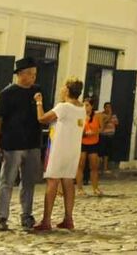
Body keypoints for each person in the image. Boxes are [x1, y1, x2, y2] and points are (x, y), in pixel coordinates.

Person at [0, 56, 43, 232]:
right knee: (7, 181)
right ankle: (1, 217)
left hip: (32, 143)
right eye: (30, 74)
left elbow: (42, 115)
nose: (33, 77)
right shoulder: (7, 93)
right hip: (12, 144)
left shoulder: (37, 91)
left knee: (29, 182)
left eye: (35, 74)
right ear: (21, 74)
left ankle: (26, 214)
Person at [33, 77, 86, 231]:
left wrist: (39, 102)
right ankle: (68, 218)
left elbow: (42, 118)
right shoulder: (81, 108)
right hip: (73, 149)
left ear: (67, 90)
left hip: (59, 148)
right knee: (68, 182)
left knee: (52, 181)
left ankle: (46, 220)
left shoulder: (63, 107)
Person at [76, 99, 103, 196]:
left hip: (93, 142)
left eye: (87, 105)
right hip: (83, 142)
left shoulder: (97, 116)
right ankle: (79, 188)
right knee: (80, 165)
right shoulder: (80, 116)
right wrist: (83, 132)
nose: (85, 107)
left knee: (94, 166)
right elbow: (78, 128)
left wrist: (95, 132)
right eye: (83, 105)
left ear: (91, 106)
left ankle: (95, 188)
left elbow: (101, 128)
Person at [98, 102, 119, 174]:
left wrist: (111, 117)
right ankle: (98, 168)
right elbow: (104, 122)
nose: (108, 108)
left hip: (110, 135)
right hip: (103, 135)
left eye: (109, 107)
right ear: (104, 108)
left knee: (107, 152)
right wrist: (109, 115)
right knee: (101, 152)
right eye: (107, 107)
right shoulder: (101, 114)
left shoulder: (114, 115)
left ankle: (105, 168)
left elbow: (116, 123)